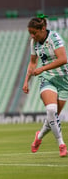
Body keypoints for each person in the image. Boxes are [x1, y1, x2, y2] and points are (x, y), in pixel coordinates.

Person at [23, 15, 68, 157]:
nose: (32, 36)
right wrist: (26, 81)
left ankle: (39, 136)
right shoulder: (33, 43)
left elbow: (63, 59)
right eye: (30, 33)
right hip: (47, 79)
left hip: (64, 81)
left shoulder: (55, 38)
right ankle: (61, 144)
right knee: (51, 109)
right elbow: (32, 62)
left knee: (52, 117)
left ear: (43, 29)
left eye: (34, 33)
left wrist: (42, 68)